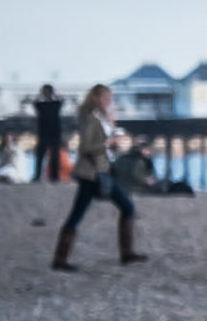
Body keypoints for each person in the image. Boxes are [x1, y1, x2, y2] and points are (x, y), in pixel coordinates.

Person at [51, 85, 146, 269]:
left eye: (109, 98)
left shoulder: (101, 118)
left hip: (99, 172)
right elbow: (86, 147)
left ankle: (127, 253)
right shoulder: (90, 118)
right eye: (105, 98)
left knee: (124, 207)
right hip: (91, 173)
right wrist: (108, 144)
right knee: (84, 213)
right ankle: (60, 259)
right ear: (95, 98)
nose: (108, 101)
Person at [31, 84, 65, 182]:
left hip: (48, 134)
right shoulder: (54, 104)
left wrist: (41, 94)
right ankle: (52, 176)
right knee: (46, 157)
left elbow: (35, 102)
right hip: (49, 134)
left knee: (46, 157)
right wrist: (54, 94)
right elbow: (36, 102)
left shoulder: (45, 105)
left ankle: (44, 176)